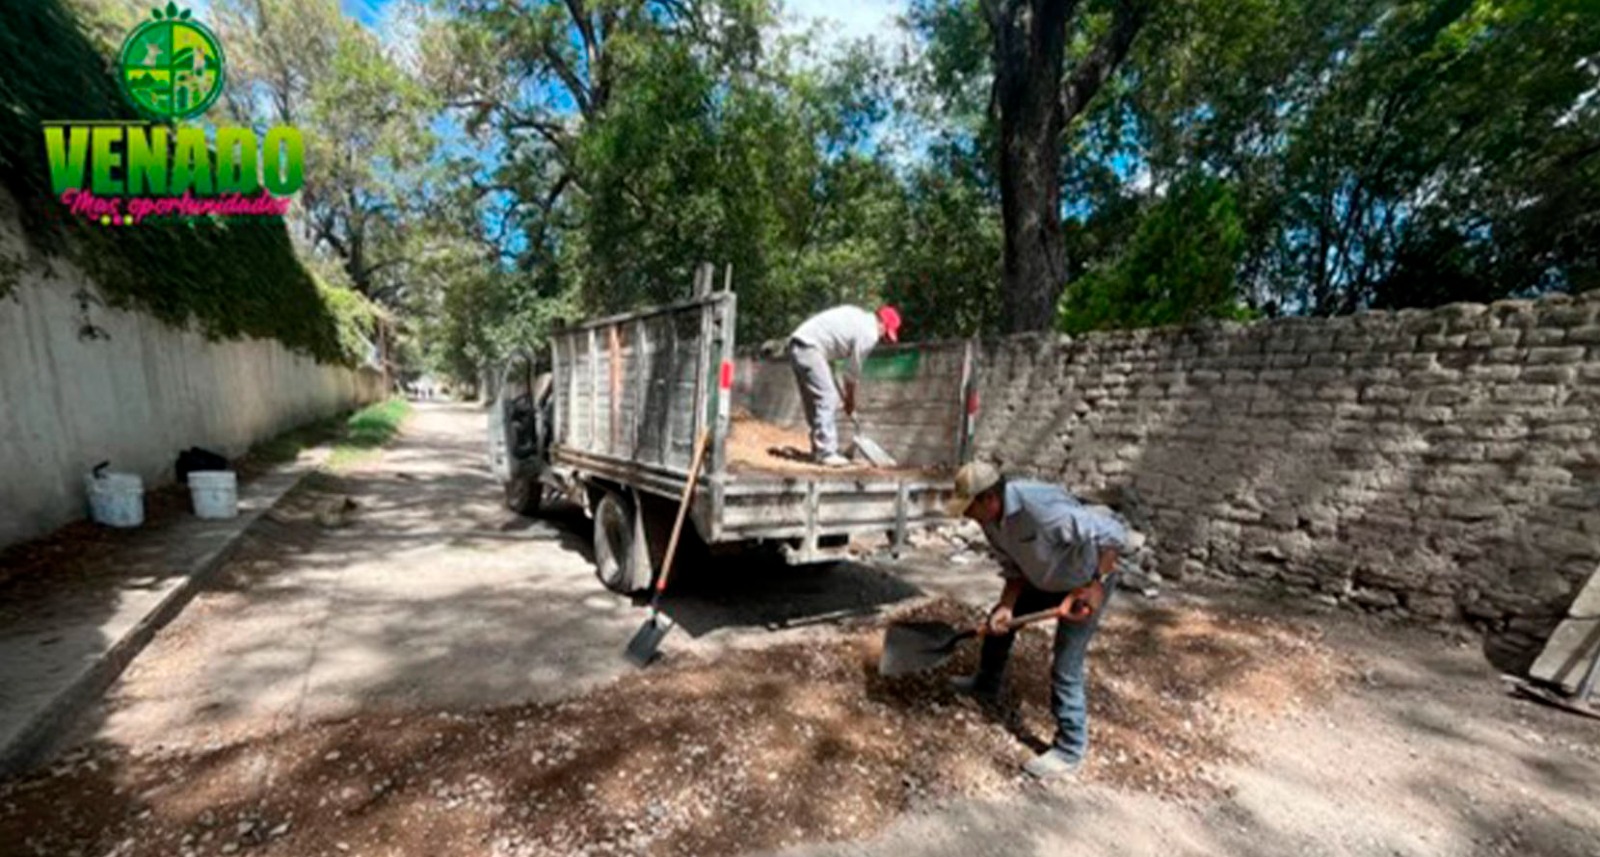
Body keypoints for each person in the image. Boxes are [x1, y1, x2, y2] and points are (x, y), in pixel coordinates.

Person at [944, 461, 1127, 780]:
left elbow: (1113, 534)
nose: (965, 515)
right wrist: (1006, 605)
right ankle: (986, 684)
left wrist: (1097, 583)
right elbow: (1013, 565)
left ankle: (1070, 748)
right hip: (1039, 578)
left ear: (990, 499)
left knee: (1065, 664)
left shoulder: (1042, 510)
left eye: (969, 506)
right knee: (997, 627)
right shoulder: (990, 521)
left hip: (1083, 582)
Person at [786, 305, 901, 466]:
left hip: (797, 346)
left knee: (815, 399)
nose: (882, 339)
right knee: (827, 397)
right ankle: (826, 452)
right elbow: (851, 373)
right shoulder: (869, 332)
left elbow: (834, 358)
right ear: (882, 323)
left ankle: (819, 449)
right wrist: (850, 400)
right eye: (885, 334)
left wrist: (844, 393)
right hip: (811, 348)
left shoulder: (857, 316)